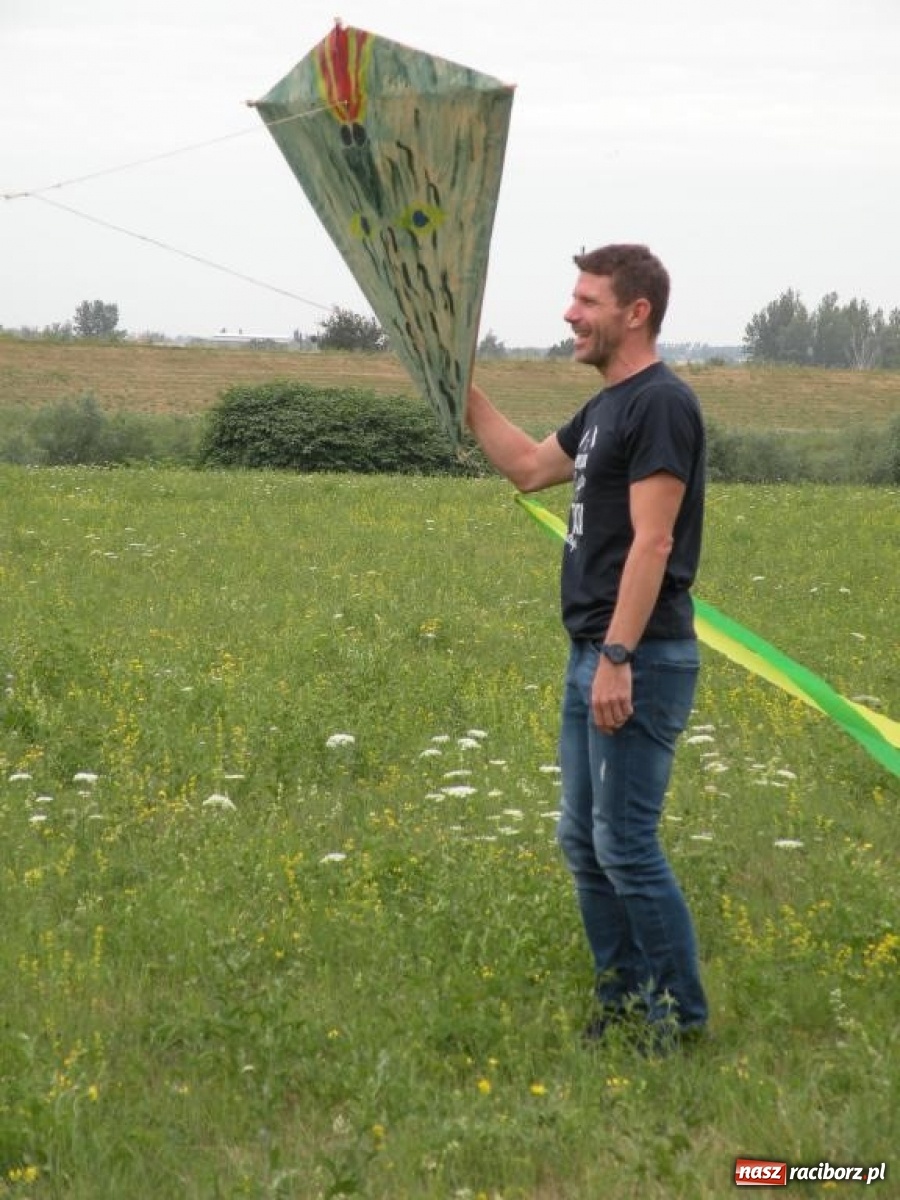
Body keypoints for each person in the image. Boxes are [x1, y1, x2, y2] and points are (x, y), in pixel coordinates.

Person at [466, 243, 708, 1051]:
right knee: (584, 839)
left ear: (634, 312)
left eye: (587, 301)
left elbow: (654, 542)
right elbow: (532, 467)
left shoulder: (660, 404)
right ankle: (624, 1001)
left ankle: (676, 1017)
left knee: (626, 845)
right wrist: (456, 388)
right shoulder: (605, 407)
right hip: (593, 654)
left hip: (635, 658)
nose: (569, 314)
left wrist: (616, 658)